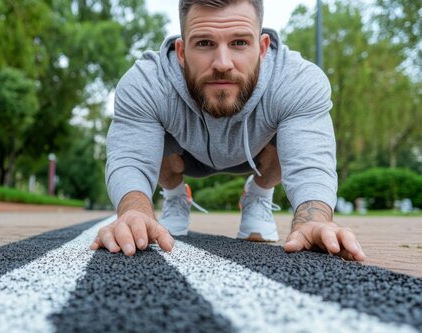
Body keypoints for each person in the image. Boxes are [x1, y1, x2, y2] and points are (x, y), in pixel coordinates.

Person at [90, 0, 366, 262]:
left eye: (239, 43)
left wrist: (315, 221)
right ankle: (175, 198)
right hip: (184, 154)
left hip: (257, 155)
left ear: (262, 48)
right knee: (149, 142)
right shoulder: (146, 82)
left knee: (291, 139)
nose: (222, 63)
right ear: (182, 52)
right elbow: (131, 158)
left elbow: (310, 162)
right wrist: (133, 213)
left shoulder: (298, 81)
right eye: (205, 43)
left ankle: (257, 195)